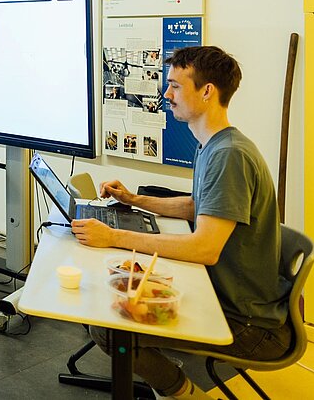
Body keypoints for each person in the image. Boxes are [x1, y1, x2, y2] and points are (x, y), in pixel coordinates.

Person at [72, 46, 291, 400]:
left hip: (247, 325)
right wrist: (133, 200)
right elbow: (195, 206)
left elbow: (204, 248)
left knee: (110, 330)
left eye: (175, 86)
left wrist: (113, 236)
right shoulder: (213, 144)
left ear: (207, 91)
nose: (166, 93)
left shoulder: (229, 155)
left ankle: (187, 395)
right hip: (231, 302)